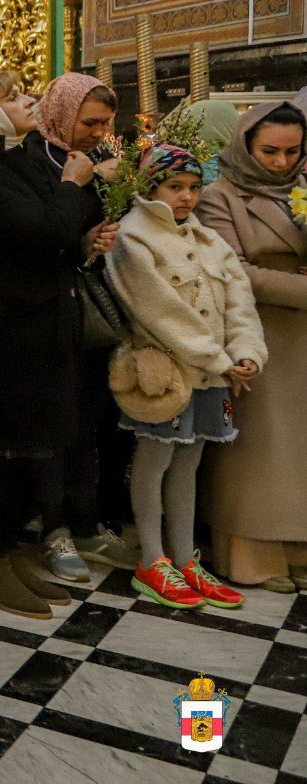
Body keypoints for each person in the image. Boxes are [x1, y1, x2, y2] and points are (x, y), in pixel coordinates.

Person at [0, 73, 108, 619]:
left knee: (31, 447)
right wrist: (74, 185)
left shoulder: (15, 156)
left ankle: (8, 552)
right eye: (11, 97)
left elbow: (55, 236)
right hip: (8, 331)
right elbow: (43, 231)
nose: (27, 100)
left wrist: (84, 241)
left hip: (43, 321)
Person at [107, 144, 264, 611]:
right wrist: (217, 359)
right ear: (150, 187)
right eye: (175, 186)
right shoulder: (133, 238)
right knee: (154, 460)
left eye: (195, 187)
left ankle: (183, 558)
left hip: (211, 374)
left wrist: (246, 353)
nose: (187, 197)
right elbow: (158, 311)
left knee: (188, 464)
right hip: (165, 374)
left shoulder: (209, 240)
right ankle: (152, 560)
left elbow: (240, 302)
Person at [19, 72, 132, 579]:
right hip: (44, 311)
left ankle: (86, 523)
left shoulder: (100, 158)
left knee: (88, 421)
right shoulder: (29, 159)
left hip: (91, 309)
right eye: (90, 122)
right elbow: (39, 234)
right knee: (53, 423)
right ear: (62, 113)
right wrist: (80, 228)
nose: (99, 132)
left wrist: (98, 237)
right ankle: (54, 527)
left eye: (106, 123)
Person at [198, 101, 307, 592]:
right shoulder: (219, 196)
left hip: (301, 338)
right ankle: (252, 557)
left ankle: (297, 549)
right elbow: (236, 271)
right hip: (256, 335)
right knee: (259, 452)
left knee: (299, 452)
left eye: (292, 151)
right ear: (245, 145)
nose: (282, 163)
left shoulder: (302, 188)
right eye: (270, 151)